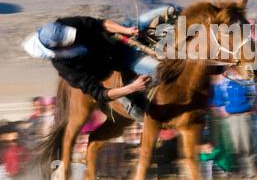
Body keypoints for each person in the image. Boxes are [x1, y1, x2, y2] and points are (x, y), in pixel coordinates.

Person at [22, 13, 168, 119]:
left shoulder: (65, 24)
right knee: (162, 71)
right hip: (120, 61)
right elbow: (99, 93)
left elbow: (100, 24)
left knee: (169, 9)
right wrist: (132, 87)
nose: (72, 38)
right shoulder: (65, 68)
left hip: (121, 39)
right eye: (66, 40)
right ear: (56, 48)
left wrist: (126, 30)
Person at [224, 65, 257, 180]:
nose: (231, 69)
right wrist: (225, 109)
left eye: (233, 67)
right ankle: (241, 172)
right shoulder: (226, 81)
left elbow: (253, 96)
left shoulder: (247, 80)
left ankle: (250, 174)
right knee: (236, 146)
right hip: (231, 117)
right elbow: (223, 96)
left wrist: (250, 107)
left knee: (247, 145)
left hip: (244, 116)